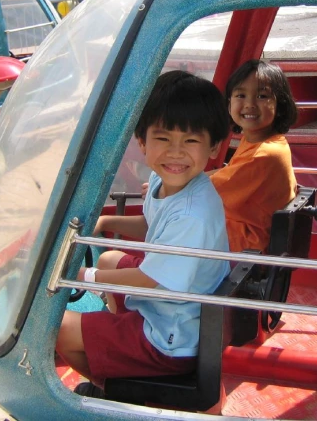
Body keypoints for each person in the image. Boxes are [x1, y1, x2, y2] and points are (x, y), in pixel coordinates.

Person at [56, 70, 231, 396]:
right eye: (163, 138)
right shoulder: (165, 184)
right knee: (109, 257)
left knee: (57, 328)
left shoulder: (193, 215)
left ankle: (114, 391)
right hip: (169, 304)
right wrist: (107, 223)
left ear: (213, 148)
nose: (176, 153)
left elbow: (150, 280)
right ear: (142, 142)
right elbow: (152, 225)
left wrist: (81, 275)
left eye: (191, 140)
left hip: (173, 336)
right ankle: (116, 346)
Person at [210, 60, 299, 253]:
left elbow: (206, 190)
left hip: (245, 245)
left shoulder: (264, 154)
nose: (249, 104)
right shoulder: (261, 140)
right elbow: (224, 175)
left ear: (280, 105)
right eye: (241, 95)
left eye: (262, 96)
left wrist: (171, 186)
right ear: (229, 103)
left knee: (175, 223)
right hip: (237, 231)